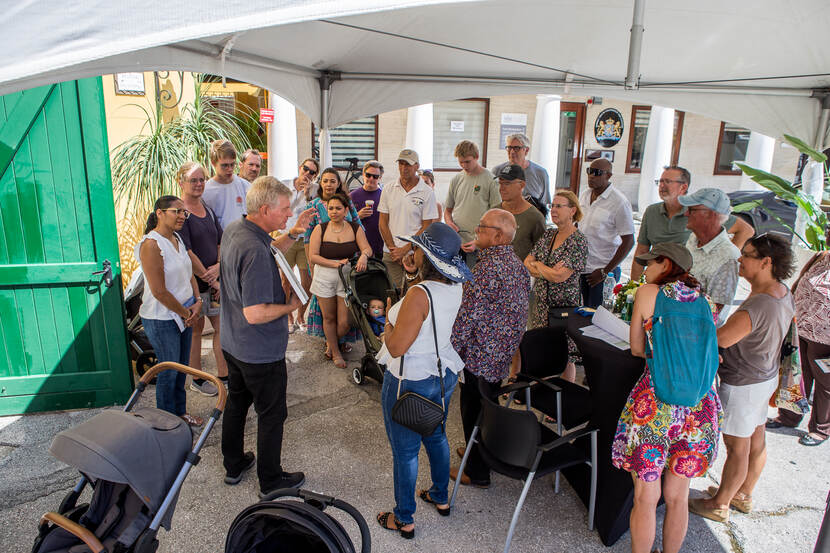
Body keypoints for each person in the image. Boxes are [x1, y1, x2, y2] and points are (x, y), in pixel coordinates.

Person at [612, 243, 722, 553]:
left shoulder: (649, 294)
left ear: (667, 264)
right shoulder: (707, 302)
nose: (646, 269)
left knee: (647, 497)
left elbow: (636, 347)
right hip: (699, 407)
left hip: (655, 404)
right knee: (678, 495)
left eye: (651, 263)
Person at [689, 233, 795, 523]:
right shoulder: (781, 291)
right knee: (756, 437)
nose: (740, 259)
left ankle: (720, 504)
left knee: (737, 446)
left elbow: (719, 339)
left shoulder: (757, 306)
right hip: (765, 377)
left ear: (766, 262)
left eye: (747, 254)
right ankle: (743, 493)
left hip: (743, 384)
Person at [376, 222, 471, 540]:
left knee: (405, 452)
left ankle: (404, 518)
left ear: (427, 256)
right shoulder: (455, 287)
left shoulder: (419, 293)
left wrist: (387, 323)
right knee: (436, 436)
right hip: (443, 374)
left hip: (409, 379)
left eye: (417, 248)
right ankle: (441, 497)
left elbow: (396, 346)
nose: (411, 251)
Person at [219, 176, 312, 497]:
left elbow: (269, 248)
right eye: (285, 210)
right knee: (272, 415)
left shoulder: (237, 230)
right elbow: (255, 313)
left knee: (237, 402)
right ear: (263, 209)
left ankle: (234, 464)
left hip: (233, 344)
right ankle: (271, 481)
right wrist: (290, 305)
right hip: (259, 351)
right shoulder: (254, 250)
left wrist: (294, 232)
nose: (289, 214)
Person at [449, 209, 530, 489]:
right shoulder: (516, 263)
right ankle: (479, 450)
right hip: (501, 353)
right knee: (487, 406)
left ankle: (477, 470)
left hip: (480, 354)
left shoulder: (486, 268)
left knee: (473, 408)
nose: (477, 230)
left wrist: (451, 351)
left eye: (482, 227)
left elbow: (467, 315)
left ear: (498, 236)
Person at [135, 195, 203, 426]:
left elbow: (189, 273)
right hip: (162, 317)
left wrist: (197, 302)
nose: (183, 216)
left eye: (185, 212)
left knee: (181, 368)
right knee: (169, 369)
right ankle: (167, 422)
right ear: (160, 213)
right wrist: (186, 314)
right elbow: (159, 291)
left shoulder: (177, 238)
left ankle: (180, 413)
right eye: (177, 211)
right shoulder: (151, 245)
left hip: (185, 311)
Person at [630, 166, 754, 281]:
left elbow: (746, 230)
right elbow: (641, 251)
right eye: (660, 181)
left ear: (683, 187)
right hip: (656, 278)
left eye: (667, 181)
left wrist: (723, 257)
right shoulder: (652, 211)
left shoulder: (699, 213)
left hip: (686, 283)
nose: (662, 186)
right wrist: (634, 287)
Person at [768, 233, 830, 447]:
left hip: (826, 338)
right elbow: (798, 285)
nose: (828, 233)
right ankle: (788, 416)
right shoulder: (821, 257)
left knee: (826, 384)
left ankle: (821, 429)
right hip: (800, 329)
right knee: (795, 374)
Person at [524, 190, 588, 382]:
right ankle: (547, 393)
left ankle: (563, 400)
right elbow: (527, 262)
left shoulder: (578, 241)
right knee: (544, 351)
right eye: (552, 206)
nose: (553, 210)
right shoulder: (549, 234)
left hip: (564, 307)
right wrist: (547, 269)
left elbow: (560, 277)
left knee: (565, 356)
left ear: (572, 210)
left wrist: (539, 266)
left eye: (559, 206)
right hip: (541, 305)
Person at [176, 162, 227, 396]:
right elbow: (187, 252)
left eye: (201, 179)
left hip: (214, 282)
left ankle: (224, 376)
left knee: (221, 327)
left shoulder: (206, 207)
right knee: (196, 331)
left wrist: (217, 268)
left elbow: (218, 240)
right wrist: (210, 277)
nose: (198, 184)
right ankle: (196, 379)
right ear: (181, 182)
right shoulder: (181, 214)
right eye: (193, 180)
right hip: (194, 285)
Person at [308, 192, 373, 369]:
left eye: (338, 208)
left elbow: (367, 248)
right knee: (328, 317)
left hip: (346, 277)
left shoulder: (354, 228)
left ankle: (331, 343)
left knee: (344, 323)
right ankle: (336, 352)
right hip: (324, 276)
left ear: (346, 210)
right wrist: (333, 263)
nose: (334, 212)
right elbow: (313, 256)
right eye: (330, 208)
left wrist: (364, 257)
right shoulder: (320, 228)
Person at [303, 168, 362, 350]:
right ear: (320, 183)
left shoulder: (348, 203)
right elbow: (307, 239)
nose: (329, 184)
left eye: (332, 181)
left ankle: (338, 341)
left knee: (345, 310)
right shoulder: (312, 206)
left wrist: (362, 257)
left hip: (347, 265)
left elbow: (357, 226)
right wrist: (311, 265)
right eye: (325, 181)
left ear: (338, 184)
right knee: (328, 310)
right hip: (324, 264)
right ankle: (332, 344)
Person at [378, 149, 439, 290]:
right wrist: (394, 249)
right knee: (394, 295)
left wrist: (405, 249)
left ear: (417, 166)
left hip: (415, 254)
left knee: (415, 295)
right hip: (391, 254)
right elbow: (382, 222)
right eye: (401, 163)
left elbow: (427, 226)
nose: (404, 168)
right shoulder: (388, 188)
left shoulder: (427, 192)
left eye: (408, 164)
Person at [679, 188, 741, 326]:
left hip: (696, 332)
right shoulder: (693, 238)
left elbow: (715, 311)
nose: (686, 214)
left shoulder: (728, 256)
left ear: (711, 215)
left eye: (692, 210)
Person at [579, 158, 635, 308]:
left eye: (597, 173)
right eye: (589, 171)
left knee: (597, 319)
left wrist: (604, 271)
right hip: (581, 268)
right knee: (581, 316)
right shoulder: (585, 195)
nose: (591, 176)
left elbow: (629, 241)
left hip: (601, 272)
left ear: (608, 176)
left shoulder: (619, 202)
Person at [444, 140, 501, 266]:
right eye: (461, 162)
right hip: (457, 243)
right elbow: (448, 210)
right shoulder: (456, 179)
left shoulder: (491, 180)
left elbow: (496, 216)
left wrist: (479, 242)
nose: (464, 165)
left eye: (467, 161)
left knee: (474, 282)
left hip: (479, 245)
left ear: (477, 157)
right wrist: (449, 222)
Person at [281, 158, 320, 333]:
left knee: (307, 282)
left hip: (305, 240)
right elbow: (283, 209)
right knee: (285, 281)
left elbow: (315, 211)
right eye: (306, 169)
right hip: (287, 237)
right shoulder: (283, 185)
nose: (308, 174)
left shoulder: (315, 190)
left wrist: (307, 194)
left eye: (313, 172)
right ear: (300, 168)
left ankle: (301, 314)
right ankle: (289, 316)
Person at [495, 164, 546, 261]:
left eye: (507, 183)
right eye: (500, 183)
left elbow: (542, 253)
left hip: (522, 273)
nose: (502, 188)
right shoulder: (494, 213)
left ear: (522, 185)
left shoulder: (535, 217)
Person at [490, 133, 551, 210]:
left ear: (526, 150)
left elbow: (545, 204)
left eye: (516, 148)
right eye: (509, 148)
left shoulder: (540, 173)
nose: (512, 152)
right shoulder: (497, 171)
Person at [202, 139, 251, 230]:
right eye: (224, 165)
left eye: (232, 165)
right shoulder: (206, 191)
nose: (229, 169)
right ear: (213, 163)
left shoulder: (246, 186)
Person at [350, 160, 384, 258]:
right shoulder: (352, 196)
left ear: (380, 178)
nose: (371, 178)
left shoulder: (385, 196)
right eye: (368, 175)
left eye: (375, 176)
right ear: (363, 175)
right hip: (358, 248)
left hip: (379, 247)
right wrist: (358, 216)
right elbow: (344, 222)